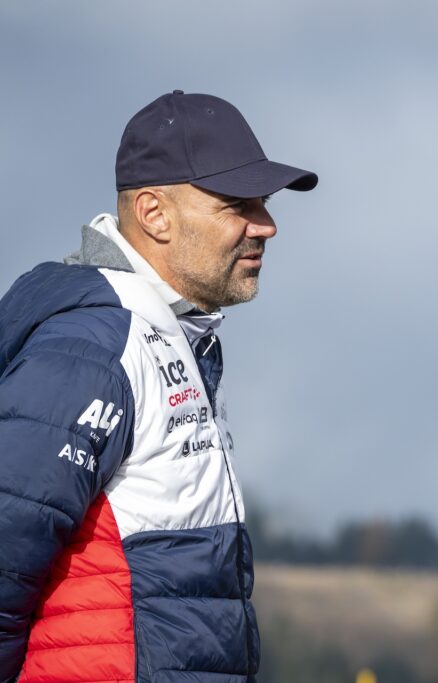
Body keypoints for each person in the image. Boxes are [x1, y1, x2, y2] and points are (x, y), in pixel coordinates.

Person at [0, 90, 317, 682]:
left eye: (265, 202)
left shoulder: (169, 333)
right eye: (238, 204)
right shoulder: (95, 348)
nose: (267, 226)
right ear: (153, 214)